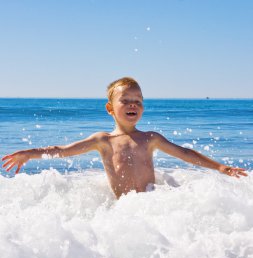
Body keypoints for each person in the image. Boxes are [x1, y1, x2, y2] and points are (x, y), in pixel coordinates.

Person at [2, 77, 247, 198]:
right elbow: (63, 150)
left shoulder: (151, 138)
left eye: (138, 101)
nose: (133, 105)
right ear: (110, 108)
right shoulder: (103, 141)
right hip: (124, 210)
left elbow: (185, 154)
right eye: (126, 101)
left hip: (152, 205)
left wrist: (220, 166)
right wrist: (29, 154)